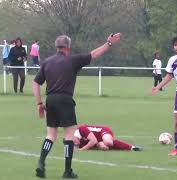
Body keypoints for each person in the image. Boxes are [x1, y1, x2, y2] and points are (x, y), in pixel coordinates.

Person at [32, 33, 121, 179]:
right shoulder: (73, 60)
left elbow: (35, 83)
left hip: (51, 100)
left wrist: (39, 103)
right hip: (65, 100)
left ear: (56, 47)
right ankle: (67, 171)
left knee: (51, 135)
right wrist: (109, 43)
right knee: (69, 136)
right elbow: (94, 54)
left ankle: (41, 163)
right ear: (68, 47)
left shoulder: (47, 62)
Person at [73, 124, 143, 151]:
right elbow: (75, 149)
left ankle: (131, 147)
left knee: (108, 142)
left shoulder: (81, 129)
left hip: (102, 131)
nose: (75, 144)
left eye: (74, 142)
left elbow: (93, 141)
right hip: (98, 141)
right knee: (104, 148)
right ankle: (130, 148)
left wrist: (82, 149)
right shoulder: (78, 142)